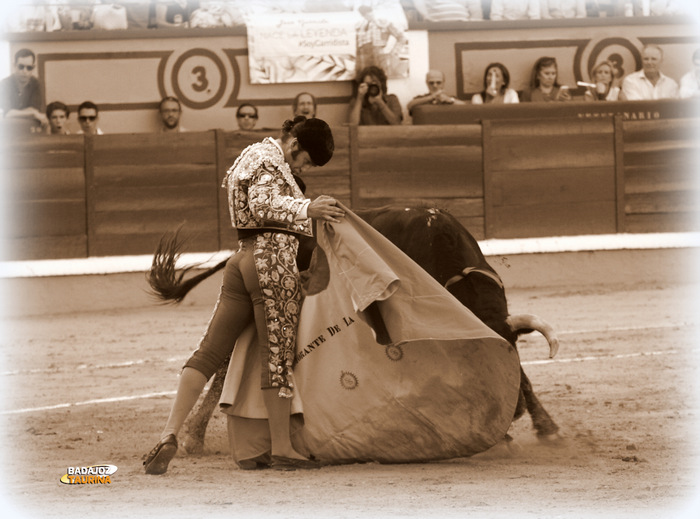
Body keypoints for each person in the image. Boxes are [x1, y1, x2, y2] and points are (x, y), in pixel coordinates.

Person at [143, 116, 345, 475]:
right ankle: (282, 448)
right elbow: (262, 204)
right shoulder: (271, 162)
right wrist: (306, 208)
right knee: (277, 358)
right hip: (272, 261)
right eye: (306, 161)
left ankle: (168, 434)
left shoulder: (250, 156)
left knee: (208, 353)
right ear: (295, 144)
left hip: (242, 259)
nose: (305, 168)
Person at [0, 48, 47, 129]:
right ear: (14, 65)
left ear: (33, 67)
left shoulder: (37, 84)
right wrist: (32, 114)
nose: (24, 71)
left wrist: (15, 113)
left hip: (29, 128)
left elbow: (35, 110)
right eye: (21, 67)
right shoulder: (4, 84)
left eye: (29, 68)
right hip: (8, 129)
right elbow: (7, 113)